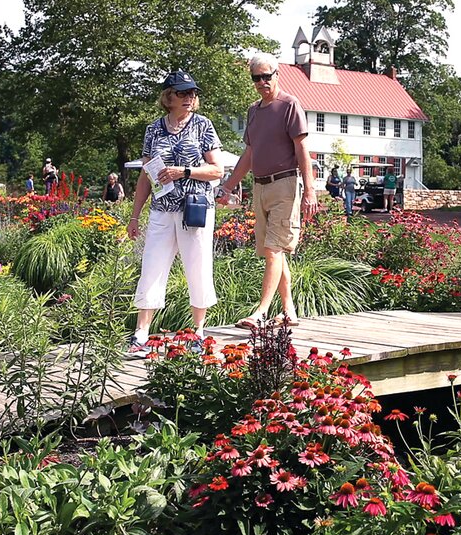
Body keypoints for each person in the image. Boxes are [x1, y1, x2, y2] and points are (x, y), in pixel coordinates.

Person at [217, 53, 319, 329]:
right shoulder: (254, 110)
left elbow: (302, 149)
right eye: (256, 77)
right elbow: (249, 153)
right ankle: (289, 311)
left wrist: (310, 190)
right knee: (274, 251)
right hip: (260, 186)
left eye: (267, 76)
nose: (262, 82)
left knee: (274, 249)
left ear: (277, 74)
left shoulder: (290, 105)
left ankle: (260, 311)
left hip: (285, 184)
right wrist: (227, 186)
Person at [126, 70, 223, 357]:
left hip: (195, 208)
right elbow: (146, 176)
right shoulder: (153, 130)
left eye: (192, 92)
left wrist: (185, 172)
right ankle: (141, 333)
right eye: (183, 93)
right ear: (168, 97)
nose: (190, 97)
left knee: (198, 266)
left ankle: (198, 331)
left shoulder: (204, 126)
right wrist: (134, 216)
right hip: (162, 209)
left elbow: (217, 170)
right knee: (152, 267)